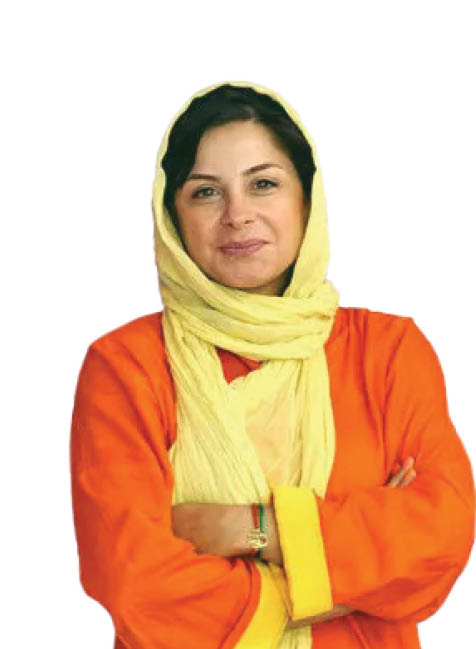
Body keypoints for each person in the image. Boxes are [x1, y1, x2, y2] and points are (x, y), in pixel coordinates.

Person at [69, 81, 475, 649]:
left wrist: (251, 529)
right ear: (172, 216)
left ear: (307, 198)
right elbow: (133, 579)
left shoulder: (386, 353)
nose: (237, 215)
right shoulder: (126, 368)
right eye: (205, 192)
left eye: (263, 183)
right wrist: (347, 573)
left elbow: (441, 533)